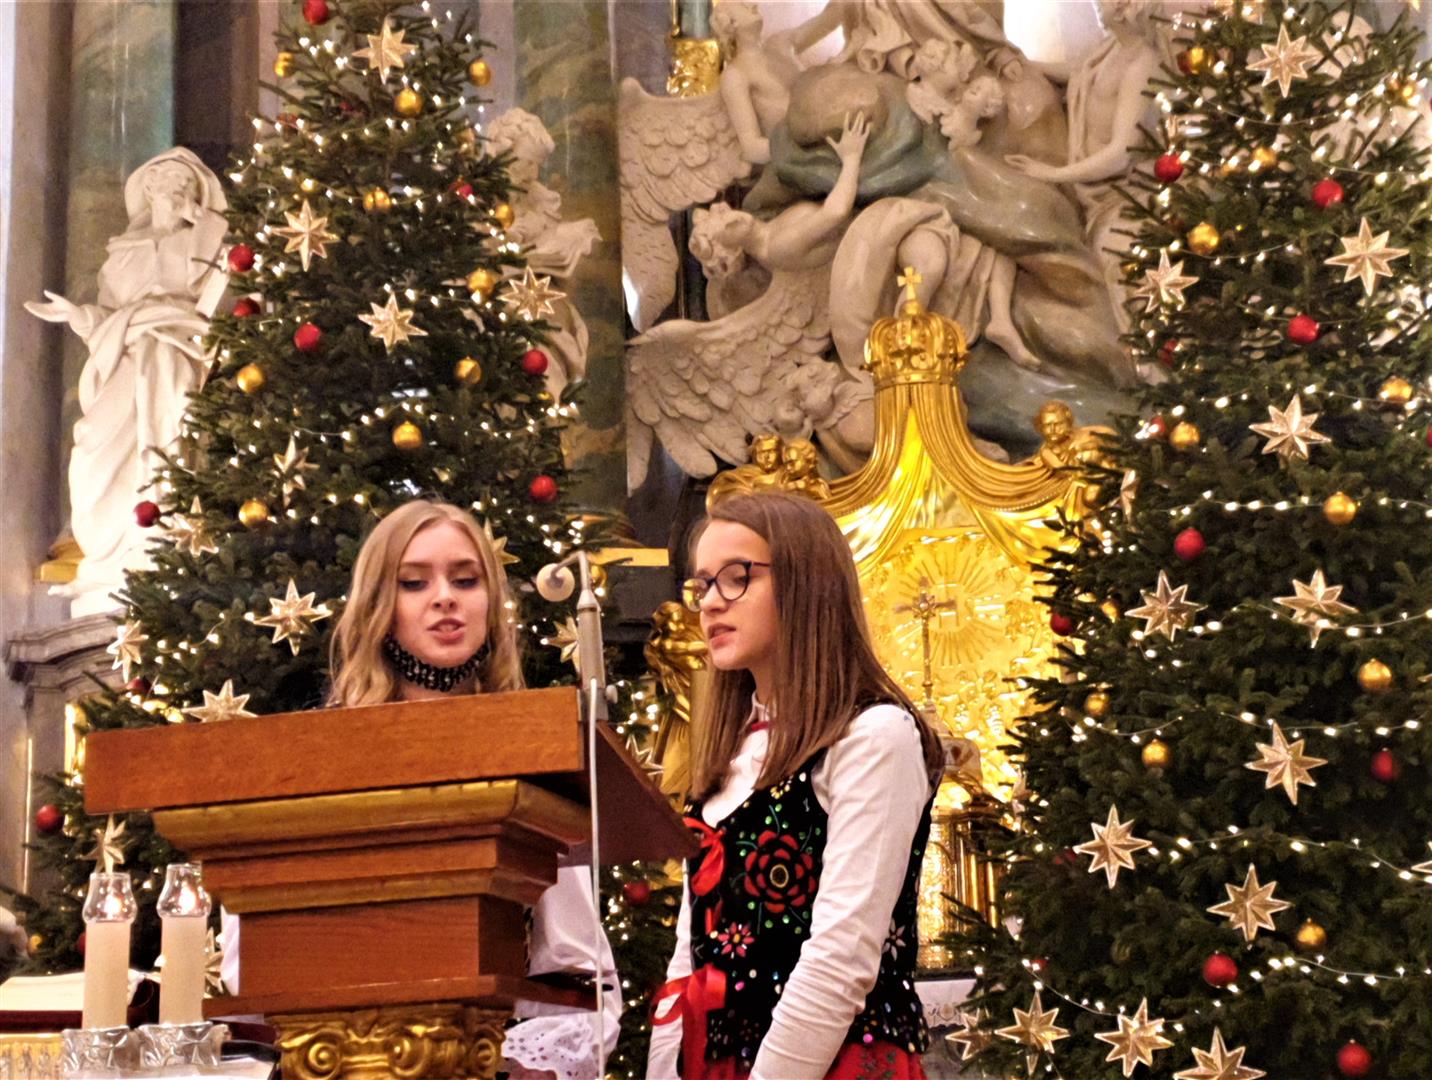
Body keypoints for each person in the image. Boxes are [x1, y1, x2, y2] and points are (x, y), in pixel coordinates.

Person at [225, 500, 620, 1080]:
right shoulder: (315, 756)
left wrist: (517, 1063)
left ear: (491, 602)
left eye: (466, 580)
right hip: (336, 1059)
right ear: (378, 606)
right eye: (414, 582)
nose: (444, 598)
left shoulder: (525, 754)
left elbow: (582, 977)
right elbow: (251, 963)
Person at [648, 492, 944, 1079]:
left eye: (737, 578)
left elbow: (842, 957)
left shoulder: (872, 735)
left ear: (807, 584)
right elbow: (687, 955)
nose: (710, 602)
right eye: (702, 585)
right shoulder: (726, 755)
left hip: (831, 1062)